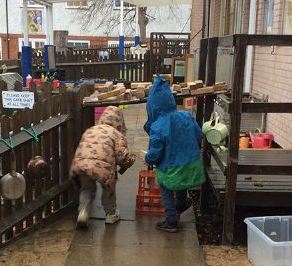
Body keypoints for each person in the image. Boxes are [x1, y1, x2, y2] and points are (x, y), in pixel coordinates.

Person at [144, 76, 205, 232]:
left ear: (152, 106)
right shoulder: (186, 115)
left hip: (171, 168)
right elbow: (199, 134)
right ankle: (181, 204)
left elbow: (155, 152)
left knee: (166, 189)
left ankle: (171, 221)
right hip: (191, 164)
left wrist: (148, 159)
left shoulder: (157, 125)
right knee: (181, 184)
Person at [70, 105, 135, 228]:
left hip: (82, 164)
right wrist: (130, 160)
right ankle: (111, 214)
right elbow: (122, 158)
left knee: (87, 188)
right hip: (102, 168)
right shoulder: (116, 134)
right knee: (108, 188)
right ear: (120, 123)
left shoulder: (91, 129)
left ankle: (83, 213)